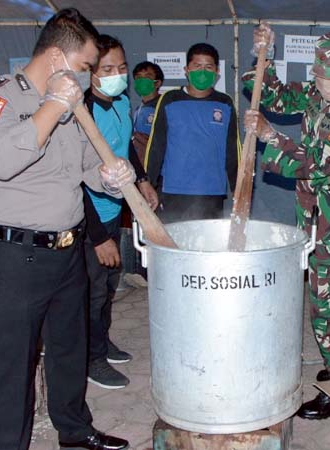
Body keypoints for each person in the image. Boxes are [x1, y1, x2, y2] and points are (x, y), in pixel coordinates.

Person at [0, 8, 131, 450]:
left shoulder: (73, 106)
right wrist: (54, 104)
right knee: (12, 363)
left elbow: (84, 167)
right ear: (57, 58)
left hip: (67, 249)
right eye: (83, 67)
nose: (87, 77)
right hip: (16, 255)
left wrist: (111, 176)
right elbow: (2, 161)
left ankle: (75, 432)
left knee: (68, 348)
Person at [243, 25, 330, 420]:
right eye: (318, 76)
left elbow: (318, 165)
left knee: (328, 303)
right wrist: (261, 56)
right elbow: (275, 96)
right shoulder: (320, 91)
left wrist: (271, 137)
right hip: (316, 217)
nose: (323, 85)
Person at [82, 34, 158, 390]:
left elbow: (125, 145)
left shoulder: (120, 102)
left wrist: (142, 179)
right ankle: (90, 358)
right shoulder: (82, 108)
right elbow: (74, 179)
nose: (117, 74)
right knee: (93, 289)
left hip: (114, 208)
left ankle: (102, 341)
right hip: (88, 215)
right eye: (107, 68)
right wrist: (98, 237)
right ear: (91, 71)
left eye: (122, 67)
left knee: (110, 285)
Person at [144, 43, 238, 223]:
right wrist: (148, 182)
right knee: (174, 243)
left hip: (211, 191)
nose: (202, 71)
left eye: (208, 67)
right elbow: (156, 144)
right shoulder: (170, 99)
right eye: (197, 66)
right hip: (174, 189)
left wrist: (238, 189)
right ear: (186, 69)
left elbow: (233, 149)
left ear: (217, 72)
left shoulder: (225, 103)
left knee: (206, 245)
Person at [131, 61, 164, 162]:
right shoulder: (139, 109)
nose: (142, 80)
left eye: (147, 76)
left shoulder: (163, 106)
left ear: (157, 83)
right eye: (139, 77)